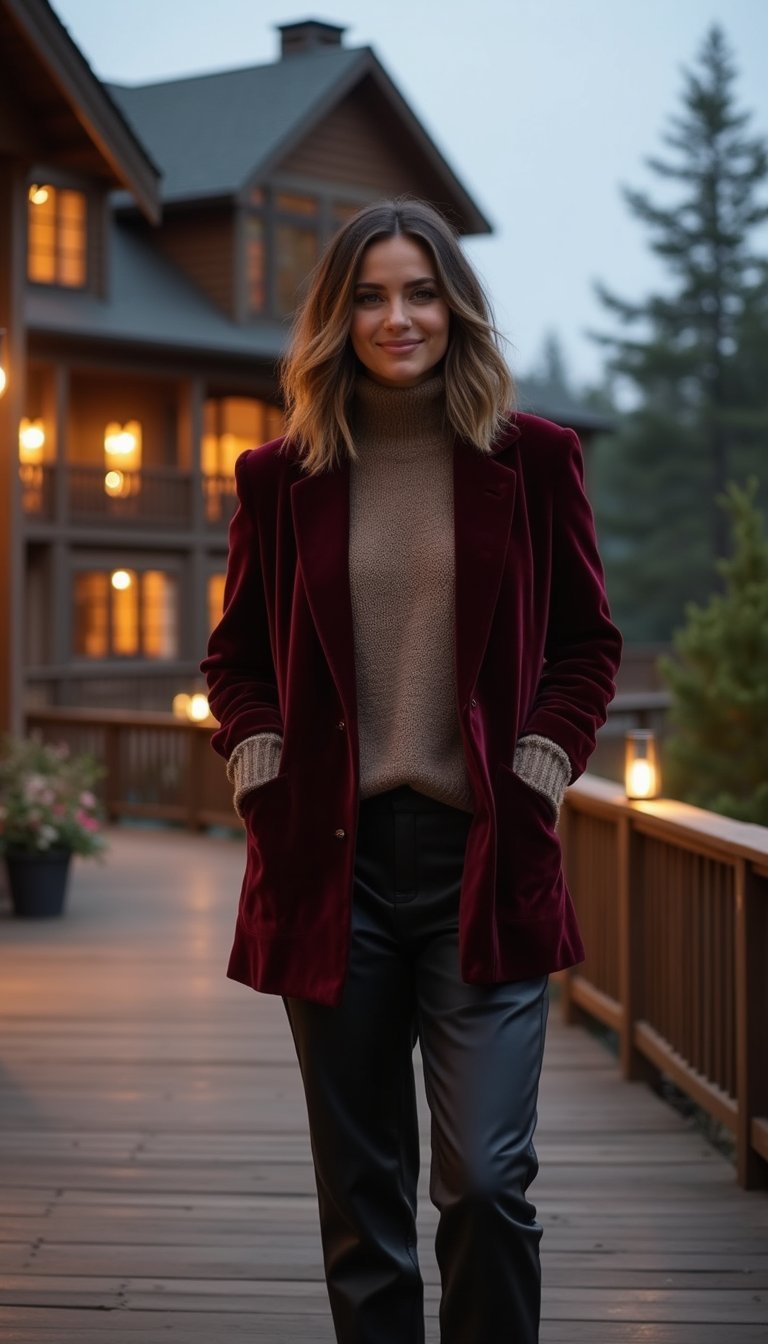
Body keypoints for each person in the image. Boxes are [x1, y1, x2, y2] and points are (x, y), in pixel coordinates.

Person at [201, 197, 622, 1344]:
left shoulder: (532, 461)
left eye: (421, 291)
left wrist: (542, 759)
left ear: (455, 306)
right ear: (339, 318)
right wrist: (257, 750)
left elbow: (588, 642)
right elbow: (234, 659)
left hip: (482, 858)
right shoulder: (281, 475)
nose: (399, 317)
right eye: (372, 296)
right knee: (362, 1200)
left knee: (486, 1183)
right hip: (330, 865)